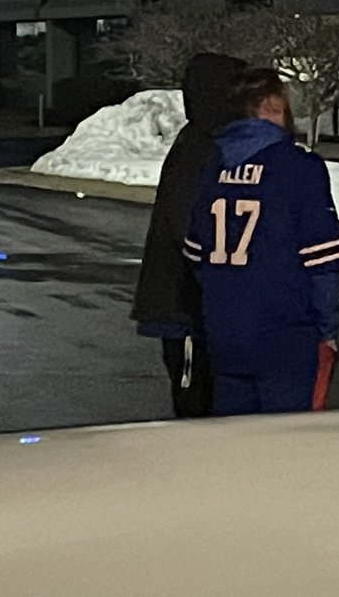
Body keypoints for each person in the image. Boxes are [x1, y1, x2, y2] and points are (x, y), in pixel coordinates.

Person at [183, 67, 339, 416]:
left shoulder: (213, 165)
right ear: (273, 106)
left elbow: (196, 256)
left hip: (224, 334)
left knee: (234, 445)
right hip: (285, 335)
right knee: (288, 449)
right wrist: (327, 329)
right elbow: (322, 264)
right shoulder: (299, 168)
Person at [132, 52, 248, 418]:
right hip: (184, 307)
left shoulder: (205, 143)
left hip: (199, 306)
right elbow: (191, 229)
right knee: (194, 404)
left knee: (208, 404)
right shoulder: (197, 150)